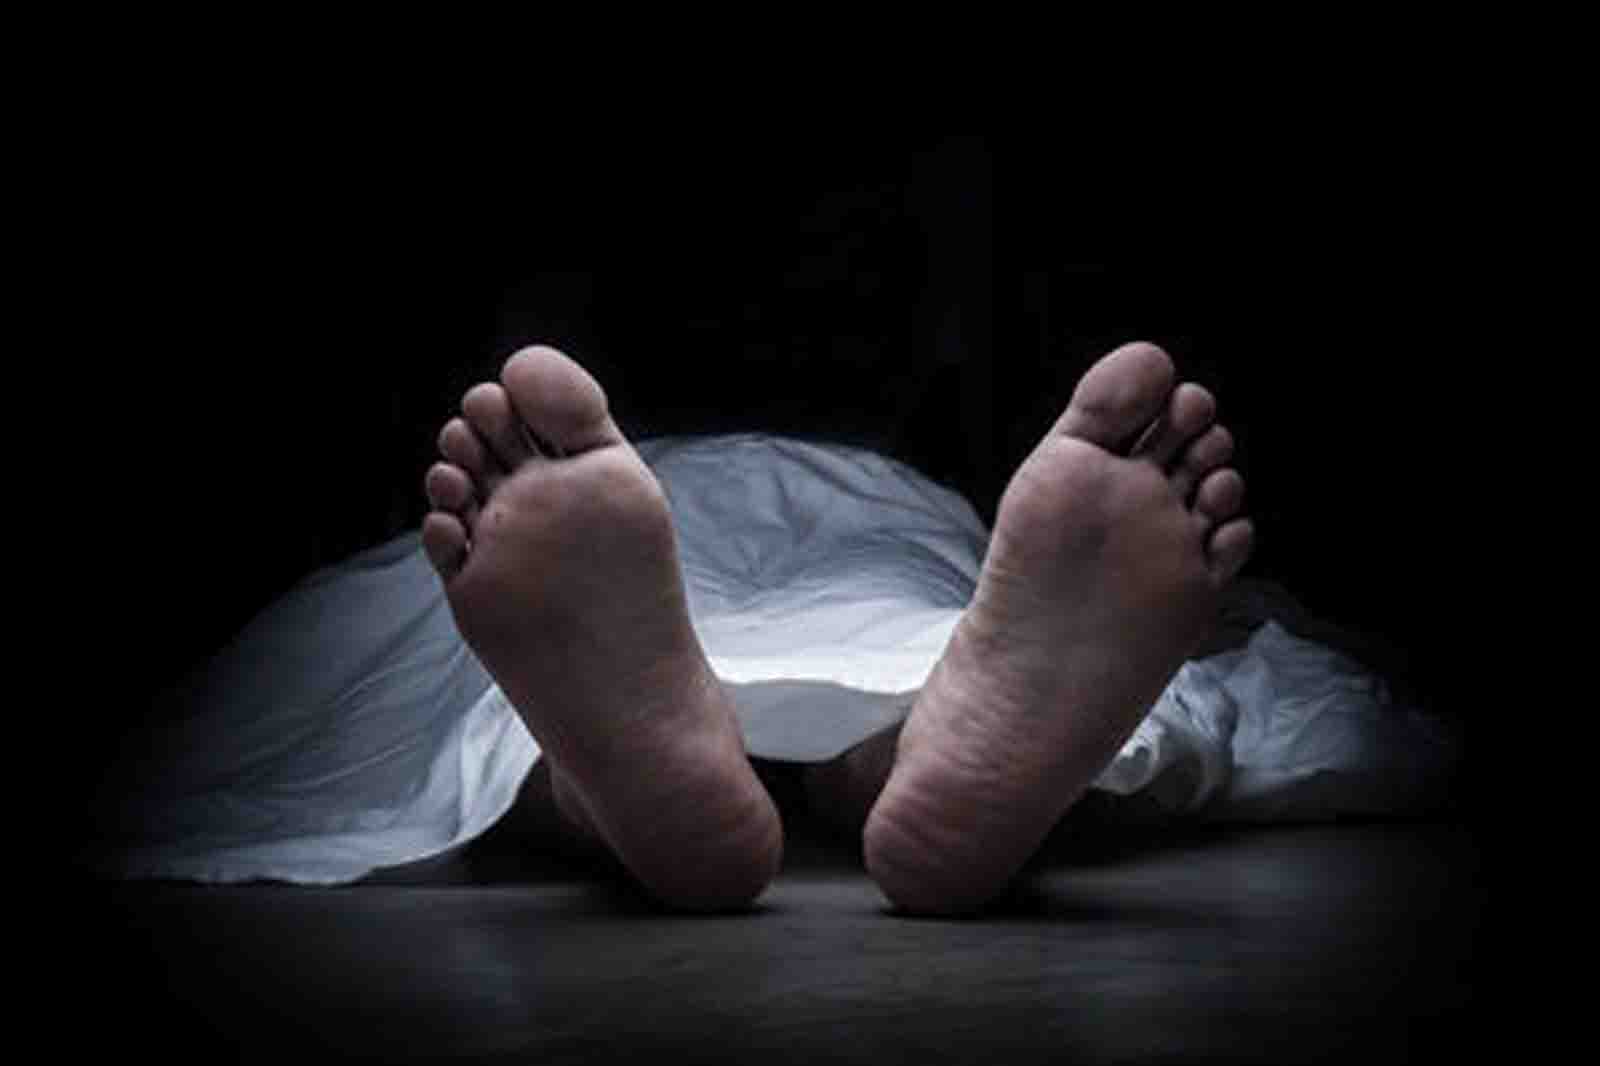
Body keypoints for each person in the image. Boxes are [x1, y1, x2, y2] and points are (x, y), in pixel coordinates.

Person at [420, 340, 1253, 915]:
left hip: (633, 554)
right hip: (898, 546)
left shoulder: (532, 488)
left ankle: (594, 799)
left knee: (494, 721)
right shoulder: (905, 490)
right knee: (911, 638)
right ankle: (888, 767)